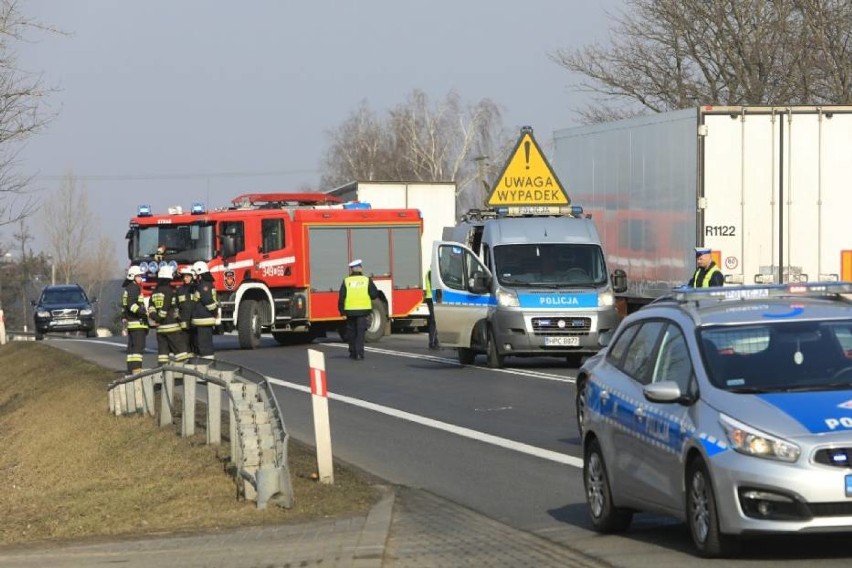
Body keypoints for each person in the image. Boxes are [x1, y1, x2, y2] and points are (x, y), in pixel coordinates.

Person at [337, 259, 378, 360]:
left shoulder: (346, 281)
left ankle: (352, 352)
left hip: (350, 311)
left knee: (351, 332)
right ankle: (359, 353)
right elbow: (374, 294)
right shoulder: (366, 280)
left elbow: (342, 297)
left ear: (351, 270)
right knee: (360, 332)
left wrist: (342, 311)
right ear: (360, 268)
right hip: (363, 311)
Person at [148, 265, 190, 364]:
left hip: (160, 329)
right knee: (181, 351)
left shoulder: (154, 291)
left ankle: (163, 371)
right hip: (171, 326)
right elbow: (168, 306)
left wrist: (156, 318)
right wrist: (178, 319)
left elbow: (151, 307)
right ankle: (183, 372)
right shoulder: (169, 291)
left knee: (163, 353)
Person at [121, 265, 148, 374]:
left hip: (132, 323)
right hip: (137, 323)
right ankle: (136, 371)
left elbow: (125, 307)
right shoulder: (134, 288)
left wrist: (124, 319)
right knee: (138, 348)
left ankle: (130, 370)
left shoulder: (129, 288)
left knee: (132, 350)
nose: (141, 278)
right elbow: (131, 305)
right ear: (133, 277)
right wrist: (143, 312)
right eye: (139, 276)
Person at [190, 261, 219, 359]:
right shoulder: (204, 284)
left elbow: (208, 301)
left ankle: (207, 365)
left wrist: (214, 312)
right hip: (203, 319)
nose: (194, 276)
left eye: (195, 274)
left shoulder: (204, 285)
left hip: (204, 319)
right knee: (202, 345)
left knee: (205, 346)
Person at [176, 265, 197, 356]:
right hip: (184, 320)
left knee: (195, 342)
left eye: (187, 276)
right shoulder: (179, 290)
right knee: (185, 342)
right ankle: (187, 359)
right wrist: (178, 318)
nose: (185, 278)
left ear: (192, 277)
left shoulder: (196, 288)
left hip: (195, 320)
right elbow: (176, 306)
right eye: (184, 277)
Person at [424, 269, 439, 350]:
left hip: (431, 298)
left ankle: (435, 342)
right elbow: (434, 286)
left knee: (435, 320)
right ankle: (432, 342)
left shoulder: (430, 272)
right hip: (431, 298)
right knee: (434, 320)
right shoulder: (431, 272)